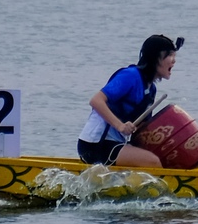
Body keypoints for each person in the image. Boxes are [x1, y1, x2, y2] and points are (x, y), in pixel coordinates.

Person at [77, 34, 182, 166]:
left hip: (115, 144)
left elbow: (142, 128)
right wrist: (120, 126)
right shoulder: (130, 76)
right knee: (153, 162)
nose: (174, 61)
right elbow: (96, 101)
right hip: (96, 145)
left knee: (163, 157)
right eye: (169, 55)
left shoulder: (151, 89)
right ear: (155, 58)